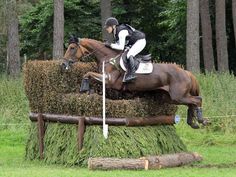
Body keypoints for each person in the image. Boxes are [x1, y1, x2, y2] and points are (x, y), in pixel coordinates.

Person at [104, 17, 146, 82]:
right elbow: (119, 45)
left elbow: (121, 47)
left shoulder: (121, 32)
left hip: (140, 41)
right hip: (133, 43)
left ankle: (132, 74)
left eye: (108, 27)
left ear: (113, 26)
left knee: (129, 55)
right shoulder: (116, 32)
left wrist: (110, 45)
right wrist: (110, 45)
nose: (106, 29)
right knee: (125, 54)